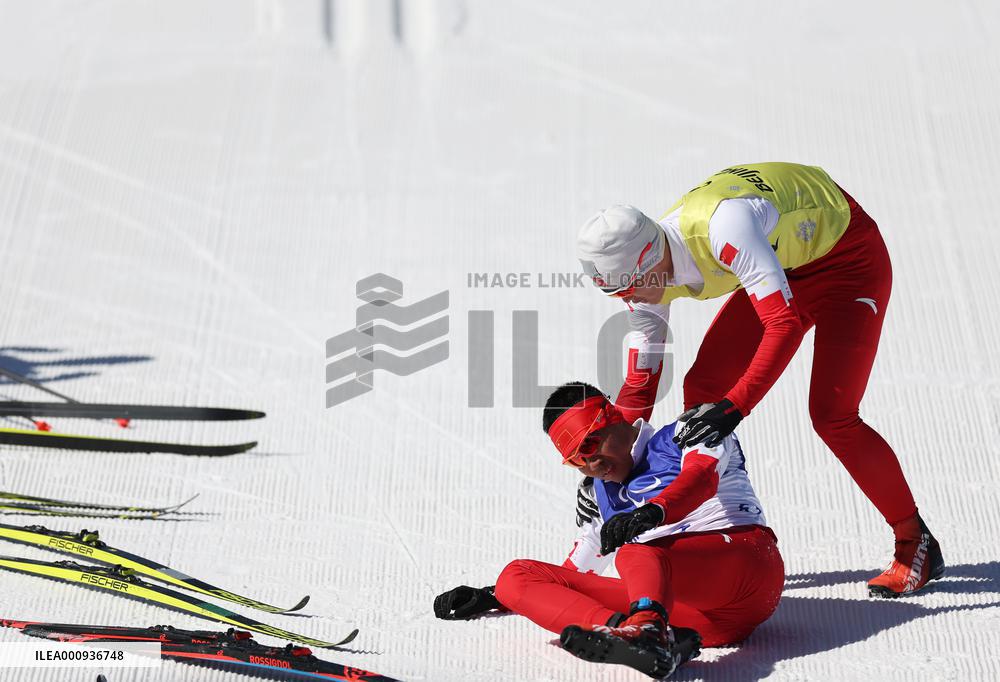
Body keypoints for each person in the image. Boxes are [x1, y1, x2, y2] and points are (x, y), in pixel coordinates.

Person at [576, 162, 943, 597]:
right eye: (614, 293)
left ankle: (914, 539)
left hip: (850, 262)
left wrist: (735, 408)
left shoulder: (724, 228)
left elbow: (782, 325)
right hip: (788, 264)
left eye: (629, 287)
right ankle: (711, 523)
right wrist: (608, 463)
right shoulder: (644, 276)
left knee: (832, 416)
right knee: (704, 393)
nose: (627, 299)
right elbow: (640, 383)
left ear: (651, 258)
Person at [434, 382, 784, 680]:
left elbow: (701, 480)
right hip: (690, 617)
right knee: (516, 576)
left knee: (635, 552)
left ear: (614, 417)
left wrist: (654, 512)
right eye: (576, 460)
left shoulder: (687, 431)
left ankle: (647, 628)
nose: (592, 465)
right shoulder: (599, 492)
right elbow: (578, 570)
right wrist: (497, 597)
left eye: (589, 446)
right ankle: (629, 635)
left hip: (744, 569)